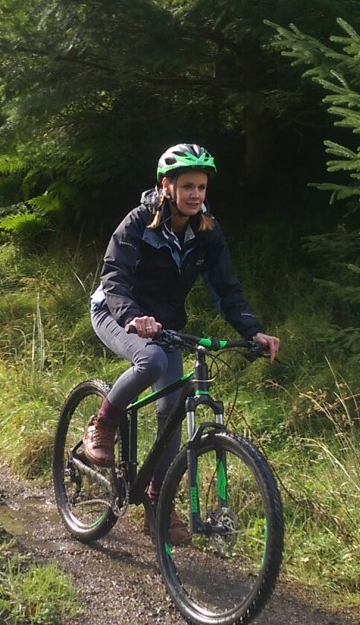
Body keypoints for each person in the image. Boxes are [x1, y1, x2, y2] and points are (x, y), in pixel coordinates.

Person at [83, 143, 280, 541]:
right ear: (166, 186)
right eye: (187, 186)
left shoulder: (206, 230)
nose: (196, 195)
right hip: (115, 311)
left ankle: (158, 501)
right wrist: (132, 317)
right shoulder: (138, 222)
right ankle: (104, 422)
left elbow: (226, 287)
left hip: (165, 325)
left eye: (202, 187)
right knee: (152, 362)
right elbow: (114, 276)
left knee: (172, 408)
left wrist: (252, 331)